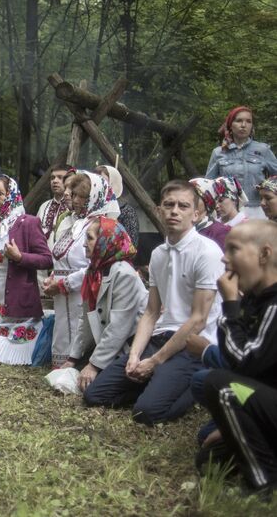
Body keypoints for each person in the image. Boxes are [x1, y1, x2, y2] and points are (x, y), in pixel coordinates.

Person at [84, 180, 224, 425]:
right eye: (169, 205)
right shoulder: (159, 254)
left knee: (146, 413)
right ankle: (158, 382)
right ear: (159, 210)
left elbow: (198, 320)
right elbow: (151, 312)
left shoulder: (207, 252)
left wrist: (155, 361)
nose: (174, 211)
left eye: (183, 206)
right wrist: (135, 355)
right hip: (160, 337)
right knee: (95, 394)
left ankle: (195, 384)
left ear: (196, 214)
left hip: (192, 346)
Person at [197, 220, 277, 494]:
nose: (223, 256)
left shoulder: (274, 305)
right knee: (208, 461)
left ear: (264, 255)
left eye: (233, 249)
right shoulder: (256, 298)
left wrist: (230, 307)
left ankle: (265, 486)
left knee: (222, 387)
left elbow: (244, 362)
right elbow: (244, 369)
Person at [0, 175, 52, 364]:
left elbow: (47, 259)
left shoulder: (27, 223)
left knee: (17, 338)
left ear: (12, 195)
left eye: (0, 194)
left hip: (18, 291)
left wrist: (20, 257)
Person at [64, 217, 147, 393]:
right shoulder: (94, 271)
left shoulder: (124, 274)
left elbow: (119, 327)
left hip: (130, 347)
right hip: (110, 345)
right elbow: (85, 318)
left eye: (90, 238)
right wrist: (73, 358)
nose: (85, 244)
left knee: (93, 393)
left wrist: (93, 365)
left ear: (105, 241)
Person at [44, 171, 115, 368]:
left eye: (78, 195)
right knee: (63, 328)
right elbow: (62, 257)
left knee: (79, 328)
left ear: (92, 197)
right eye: (73, 194)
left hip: (81, 292)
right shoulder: (74, 222)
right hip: (62, 294)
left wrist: (64, 284)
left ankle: (77, 365)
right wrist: (53, 277)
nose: (73, 199)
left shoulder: (100, 226)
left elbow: (95, 267)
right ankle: (60, 366)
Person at [206, 106, 277, 220]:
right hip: (228, 211)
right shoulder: (218, 152)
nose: (243, 125)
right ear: (230, 125)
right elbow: (209, 184)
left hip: (257, 210)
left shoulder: (263, 150)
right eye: (239, 120)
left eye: (248, 121)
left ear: (252, 126)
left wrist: (268, 189)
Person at [95, 164, 139, 247]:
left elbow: (131, 246)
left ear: (113, 183)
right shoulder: (92, 208)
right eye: (96, 181)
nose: (98, 185)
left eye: (102, 181)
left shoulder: (126, 211)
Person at [190, 177, 231, 250]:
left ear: (208, 201)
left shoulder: (221, 232)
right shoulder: (181, 227)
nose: (188, 200)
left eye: (196, 197)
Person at [37, 163, 71, 242]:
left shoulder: (74, 206)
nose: (55, 181)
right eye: (52, 178)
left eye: (60, 177)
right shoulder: (44, 206)